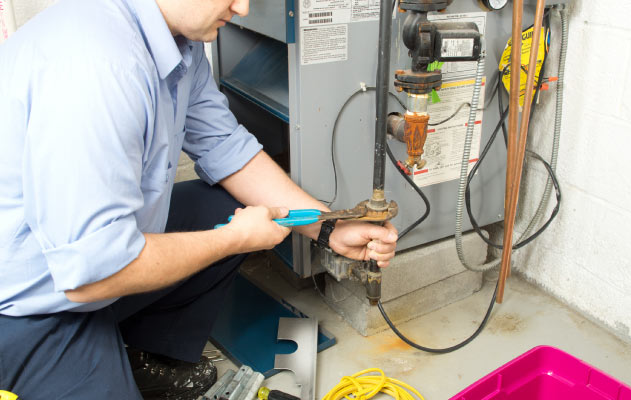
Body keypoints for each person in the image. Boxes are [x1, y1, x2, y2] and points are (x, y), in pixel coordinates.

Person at [0, 0, 398, 398]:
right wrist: (232, 240)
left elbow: (227, 147)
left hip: (89, 262)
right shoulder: (96, 66)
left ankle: (142, 355)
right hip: (30, 306)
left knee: (222, 209)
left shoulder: (179, 44)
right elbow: (91, 272)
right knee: (229, 229)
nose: (242, 8)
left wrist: (329, 228)